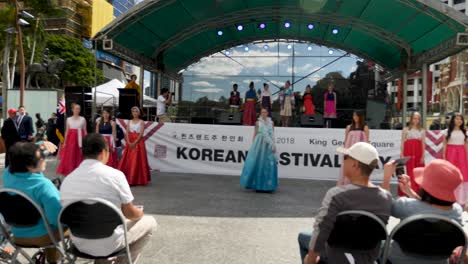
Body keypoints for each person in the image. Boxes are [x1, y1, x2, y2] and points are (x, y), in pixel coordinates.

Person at [60, 133, 157, 263]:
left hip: (79, 243)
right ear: (103, 152)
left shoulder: (68, 179)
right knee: (150, 222)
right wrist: (140, 212)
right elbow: (130, 213)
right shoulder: (115, 176)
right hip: (109, 242)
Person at [298, 142, 392, 264]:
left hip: (335, 256)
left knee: (303, 237)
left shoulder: (336, 195)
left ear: (355, 165)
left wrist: (311, 260)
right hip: (368, 258)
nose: (343, 161)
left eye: (345, 158)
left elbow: (321, 229)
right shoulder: (386, 198)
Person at [381, 159, 463, 264]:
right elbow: (433, 208)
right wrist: (411, 193)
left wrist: (386, 178)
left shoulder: (407, 205)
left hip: (397, 261)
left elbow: (385, 204)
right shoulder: (457, 212)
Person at [2, 142, 62, 264]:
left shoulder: (7, 175)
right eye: (41, 157)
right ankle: (53, 259)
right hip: (43, 237)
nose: (45, 158)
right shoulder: (43, 186)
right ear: (29, 166)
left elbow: (18, 155)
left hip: (17, 234)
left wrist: (40, 145)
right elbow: (57, 219)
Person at [240, 108, 278, 193]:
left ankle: (268, 186)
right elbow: (255, 133)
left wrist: (274, 144)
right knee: (258, 162)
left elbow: (272, 134)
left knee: (268, 163)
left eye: (265, 112)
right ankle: (258, 185)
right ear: (260, 113)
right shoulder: (258, 123)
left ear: (267, 113)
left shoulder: (271, 123)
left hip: (268, 145)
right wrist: (253, 144)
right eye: (262, 112)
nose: (264, 113)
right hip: (259, 143)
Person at [119, 106, 151, 186]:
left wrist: (135, 142)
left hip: (138, 142)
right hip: (130, 141)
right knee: (129, 159)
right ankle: (128, 178)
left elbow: (141, 134)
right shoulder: (129, 121)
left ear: (139, 113)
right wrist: (129, 142)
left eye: (136, 111)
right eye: (133, 111)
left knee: (138, 159)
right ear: (131, 113)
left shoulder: (142, 122)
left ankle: (136, 179)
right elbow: (126, 132)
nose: (134, 113)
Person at [337, 110, 369, 186]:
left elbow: (367, 142)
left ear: (361, 117)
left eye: (357, 116)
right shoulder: (349, 127)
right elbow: (345, 141)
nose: (355, 117)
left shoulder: (365, 127)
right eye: (354, 115)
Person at [56, 103, 87, 176]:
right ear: (72, 110)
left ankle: (80, 171)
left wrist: (86, 141)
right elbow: (67, 131)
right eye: (76, 108)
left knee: (80, 154)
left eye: (79, 109)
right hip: (71, 140)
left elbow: (85, 130)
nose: (78, 110)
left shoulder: (83, 119)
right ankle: (71, 171)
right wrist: (65, 142)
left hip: (80, 139)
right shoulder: (68, 119)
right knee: (71, 155)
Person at [400, 111, 425, 196]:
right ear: (411, 119)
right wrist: (402, 154)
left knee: (418, 171)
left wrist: (423, 156)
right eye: (415, 118)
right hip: (408, 151)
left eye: (418, 118)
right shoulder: (406, 129)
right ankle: (408, 189)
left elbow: (423, 144)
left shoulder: (422, 130)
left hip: (418, 152)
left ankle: (417, 190)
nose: (416, 120)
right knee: (409, 170)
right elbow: (403, 142)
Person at [443, 113, 468, 181]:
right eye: (457, 119)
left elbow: (466, 145)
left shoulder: (465, 132)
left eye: (461, 119)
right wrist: (444, 158)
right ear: (453, 120)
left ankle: (462, 190)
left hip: (462, 155)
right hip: (451, 154)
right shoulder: (447, 132)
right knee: (451, 171)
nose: (459, 120)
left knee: (462, 171)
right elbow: (444, 145)